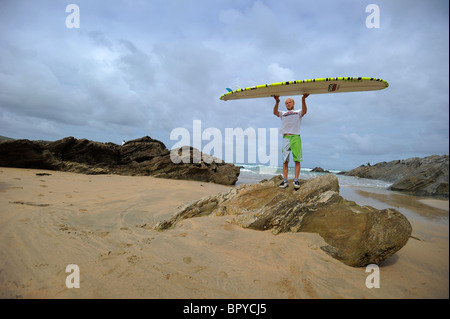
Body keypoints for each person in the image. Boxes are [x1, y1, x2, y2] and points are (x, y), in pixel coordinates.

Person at [273, 94, 309, 189]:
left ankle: (296, 180)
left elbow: (305, 111)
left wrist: (303, 99)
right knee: (285, 161)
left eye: (290, 102)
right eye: (286, 103)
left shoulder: (298, 112)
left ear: (293, 103)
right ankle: (285, 181)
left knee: (297, 160)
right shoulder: (283, 113)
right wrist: (277, 101)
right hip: (286, 138)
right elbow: (275, 112)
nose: (288, 104)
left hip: (296, 137)